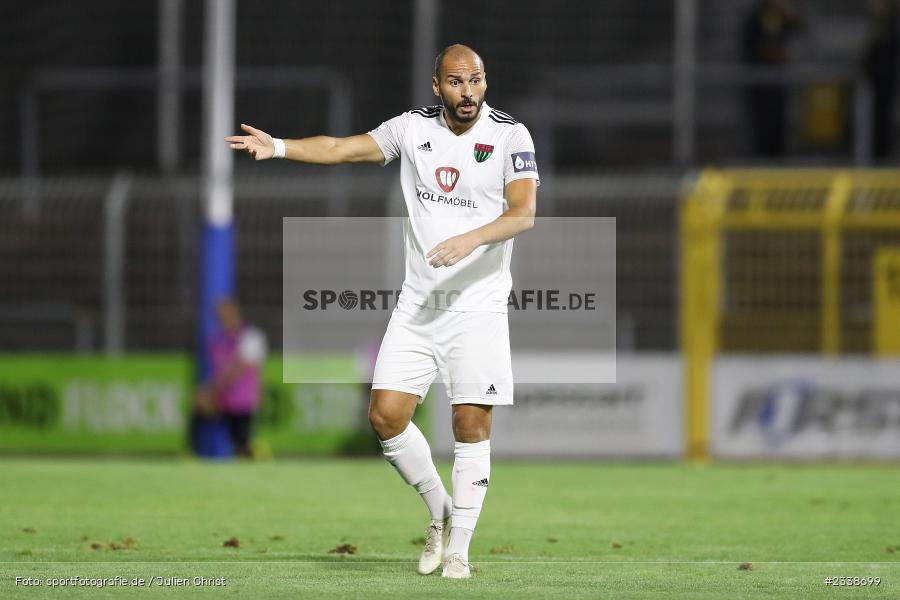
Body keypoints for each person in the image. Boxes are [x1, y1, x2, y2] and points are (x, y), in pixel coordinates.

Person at [226, 44, 538, 578]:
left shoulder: (511, 134)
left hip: (478, 308)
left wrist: (470, 239)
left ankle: (459, 550)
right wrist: (277, 145)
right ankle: (441, 511)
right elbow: (342, 149)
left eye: (478, 81)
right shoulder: (410, 129)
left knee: (469, 423)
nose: (470, 93)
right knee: (386, 416)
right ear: (436, 85)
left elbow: (523, 212)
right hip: (418, 304)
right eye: (458, 83)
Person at [740, 0, 803, 157]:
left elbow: (799, 26)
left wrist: (789, 14)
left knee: (779, 129)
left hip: (777, 86)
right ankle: (760, 167)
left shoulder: (779, 16)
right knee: (762, 130)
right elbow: (754, 46)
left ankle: (778, 164)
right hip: (760, 88)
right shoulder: (756, 17)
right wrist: (777, 54)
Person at [205, 298, 268, 458]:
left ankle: (257, 457)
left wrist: (212, 390)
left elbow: (239, 370)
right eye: (220, 315)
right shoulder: (218, 340)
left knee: (242, 441)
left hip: (241, 399)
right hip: (222, 398)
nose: (222, 318)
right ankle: (195, 453)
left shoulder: (251, 337)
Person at [864, 0, 899, 160]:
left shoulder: (888, 25)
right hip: (879, 79)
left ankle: (880, 154)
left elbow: (879, 51)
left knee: (881, 118)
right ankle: (877, 152)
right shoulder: (881, 24)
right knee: (875, 117)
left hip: (884, 79)